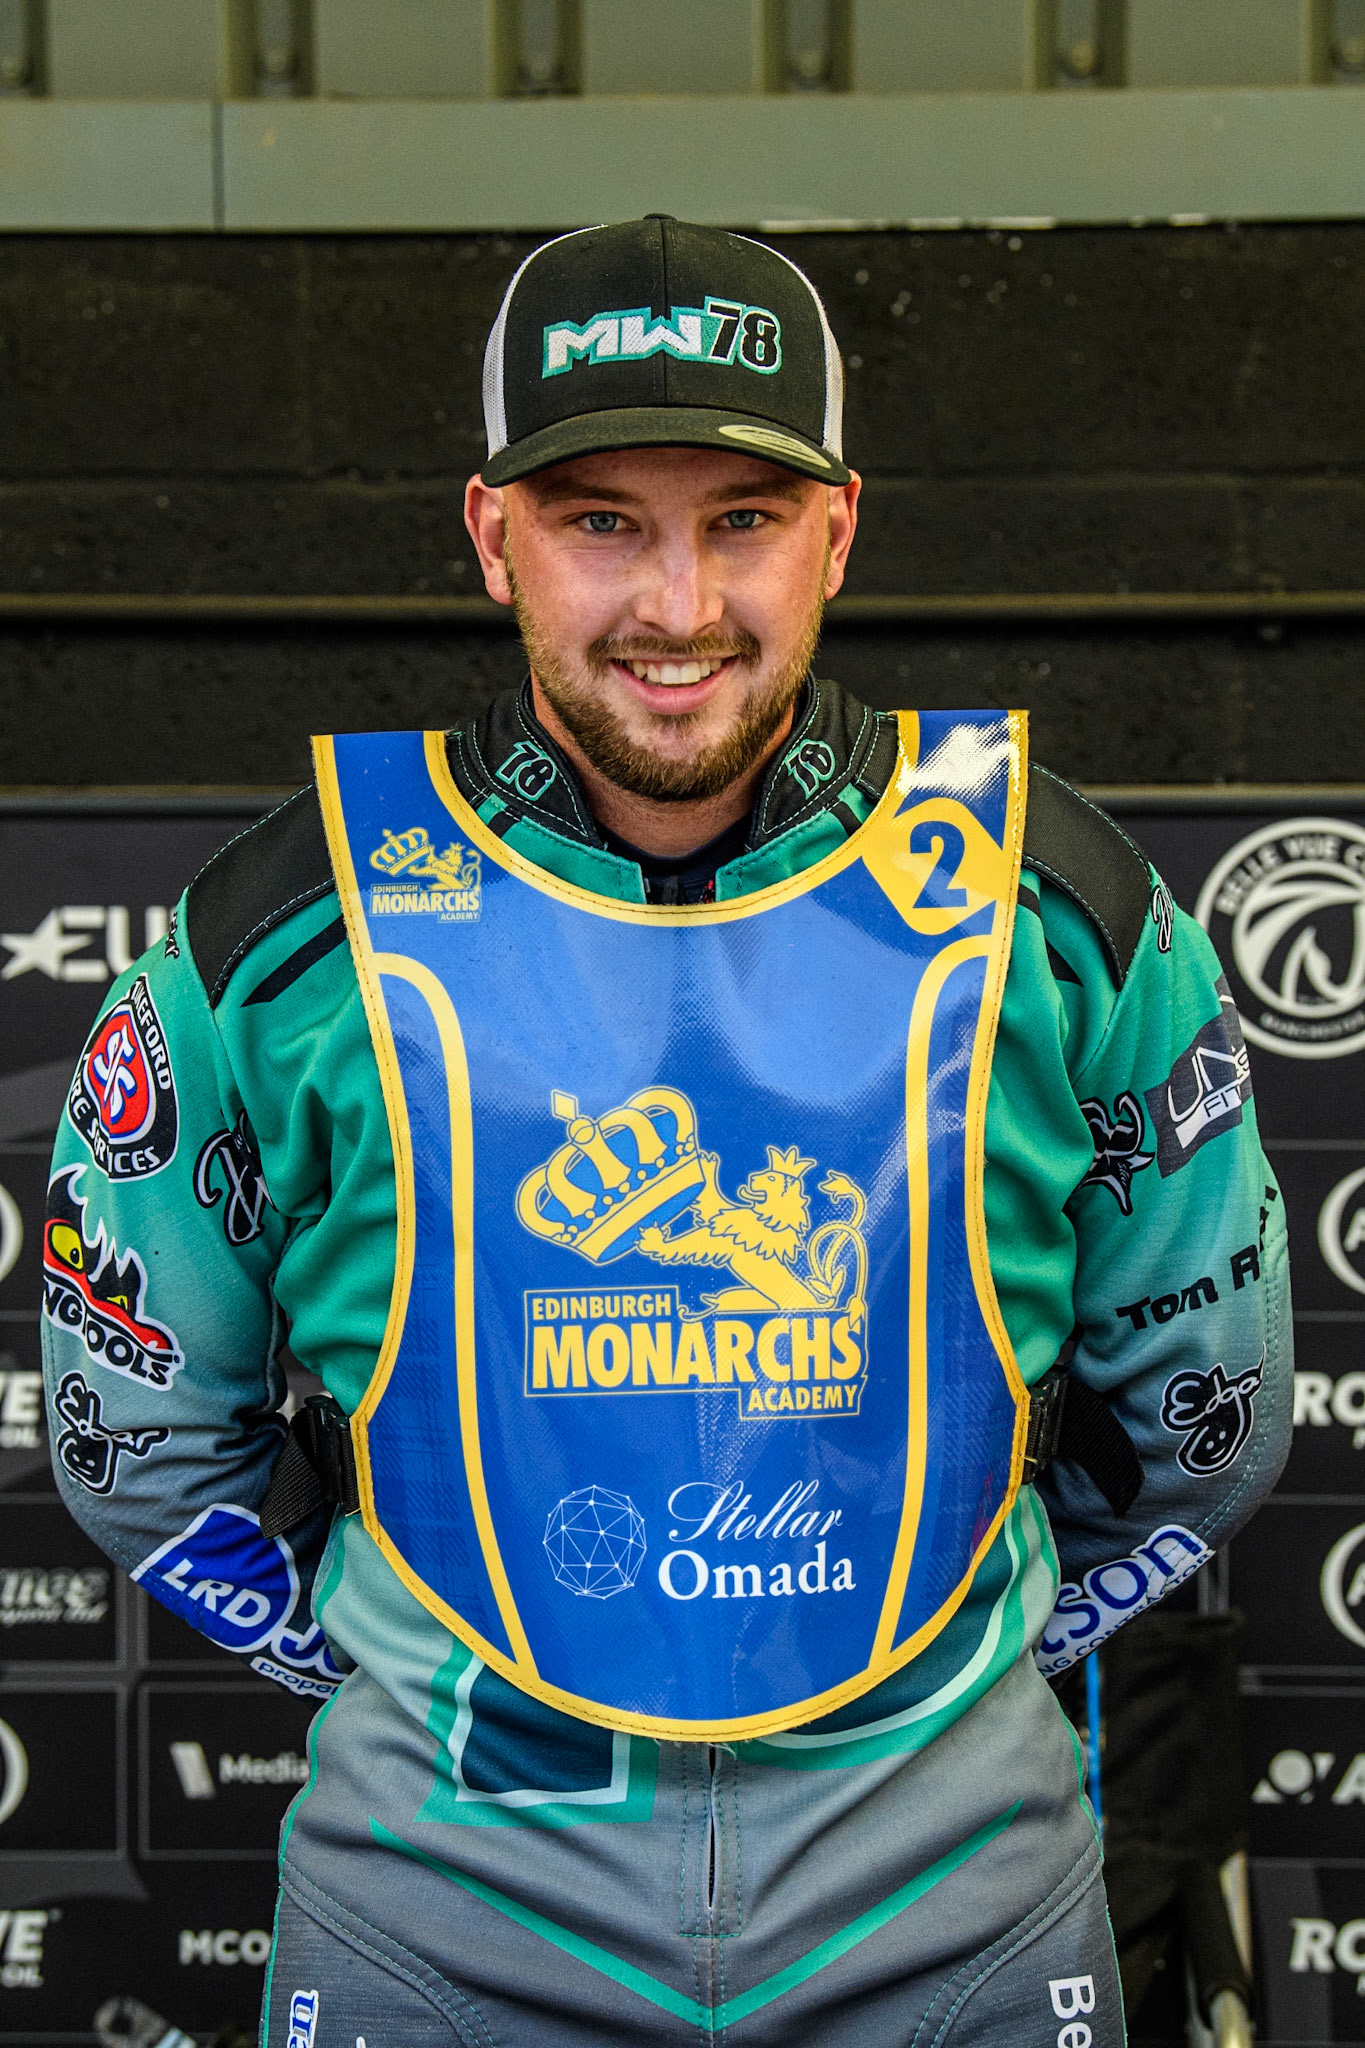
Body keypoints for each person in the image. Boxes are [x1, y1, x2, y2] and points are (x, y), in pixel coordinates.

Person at [43, 216, 1290, 2047]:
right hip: (440, 1932)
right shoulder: (285, 940)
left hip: (952, 1924)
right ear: (493, 536)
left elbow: (1204, 1425)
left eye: (743, 520)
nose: (679, 608)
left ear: (837, 531)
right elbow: (139, 1441)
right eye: (602, 522)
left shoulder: (1061, 913)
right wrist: (405, 1659)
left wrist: (941, 1673)